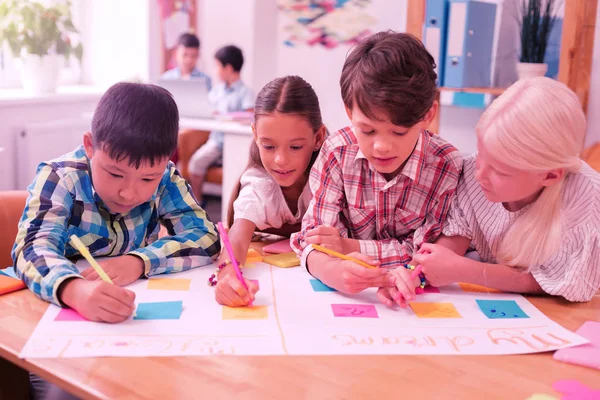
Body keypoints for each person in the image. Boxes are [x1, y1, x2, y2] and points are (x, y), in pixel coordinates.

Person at [413, 77, 600, 303]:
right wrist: (423, 268)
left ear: (550, 175)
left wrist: (466, 270)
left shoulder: (587, 198)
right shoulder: (474, 172)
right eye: (481, 154)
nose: (480, 174)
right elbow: (458, 232)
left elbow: (561, 282)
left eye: (500, 171)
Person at [213, 75, 326, 307]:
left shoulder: (333, 176)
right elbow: (238, 237)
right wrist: (227, 275)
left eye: (295, 147)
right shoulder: (259, 184)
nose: (281, 160)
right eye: (268, 146)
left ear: (318, 138)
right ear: (255, 134)